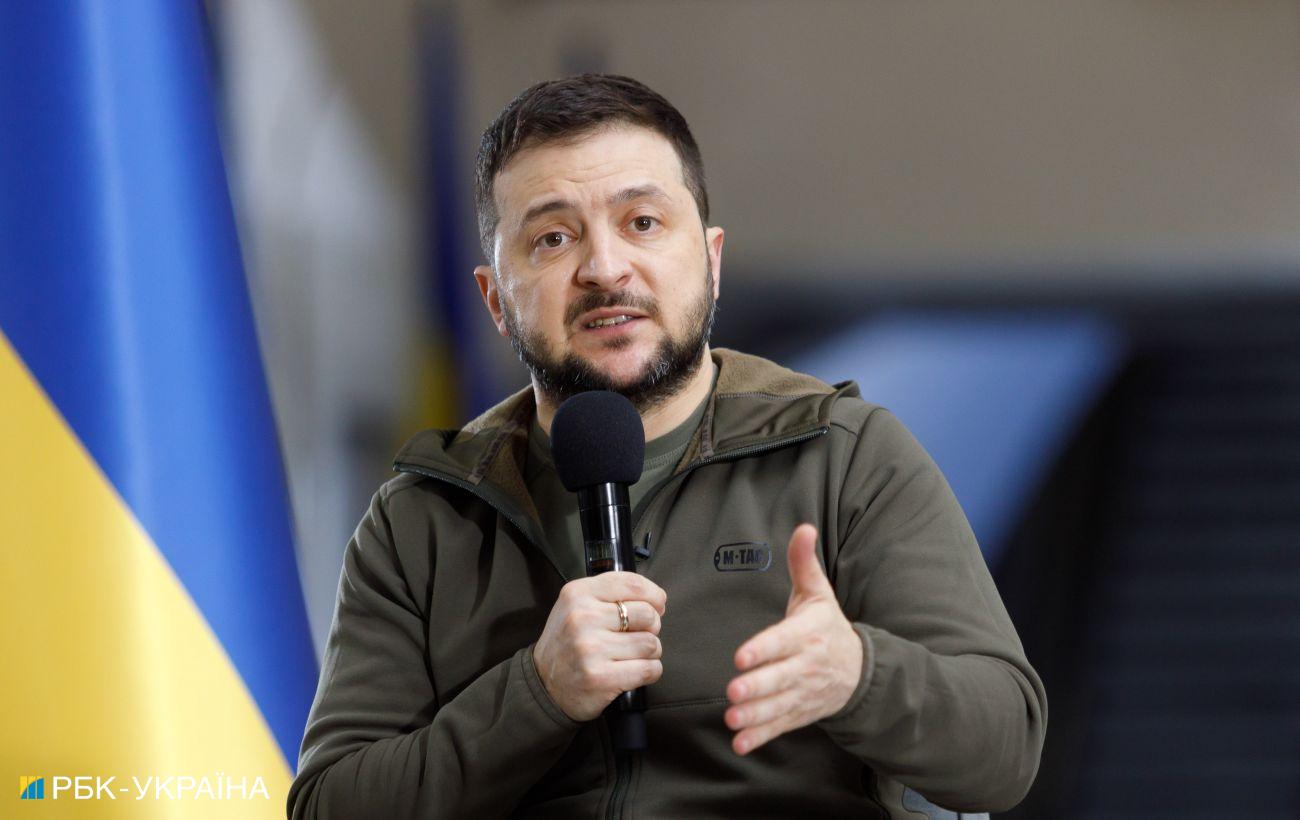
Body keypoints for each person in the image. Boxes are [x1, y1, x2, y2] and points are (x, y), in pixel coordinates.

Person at [287, 74, 1047, 819]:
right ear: (495, 300)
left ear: (711, 262)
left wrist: (860, 676)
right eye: (553, 238)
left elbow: (1005, 752)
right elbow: (327, 804)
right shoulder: (422, 517)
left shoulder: (844, 455)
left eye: (642, 222)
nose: (604, 268)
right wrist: (535, 693)